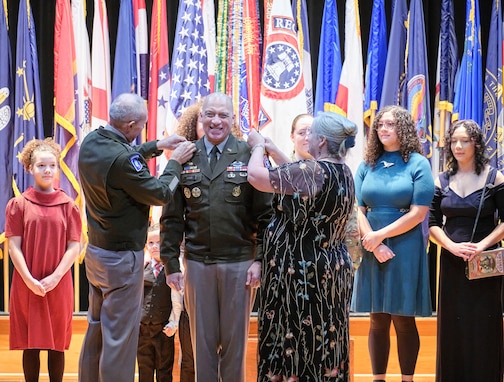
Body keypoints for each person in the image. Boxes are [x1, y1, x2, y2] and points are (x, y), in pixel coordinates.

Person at [77, 93, 196, 382]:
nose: (141, 129)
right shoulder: (123, 160)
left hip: (95, 254)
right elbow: (160, 193)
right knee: (120, 338)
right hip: (121, 261)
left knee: (97, 329)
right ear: (130, 125)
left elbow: (121, 157)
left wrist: (155, 146)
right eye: (141, 125)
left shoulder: (92, 140)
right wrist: (174, 162)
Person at [160, 92, 273, 382]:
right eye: (209, 114)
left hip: (240, 263)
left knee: (234, 348)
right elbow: (172, 217)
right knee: (202, 346)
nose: (216, 121)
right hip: (198, 263)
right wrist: (171, 263)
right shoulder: (186, 156)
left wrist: (260, 260)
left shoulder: (249, 155)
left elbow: (266, 215)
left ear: (233, 120)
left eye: (223, 115)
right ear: (200, 118)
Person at [247, 111, 357, 381]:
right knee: (324, 341)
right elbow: (297, 180)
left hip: (301, 275)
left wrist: (258, 146)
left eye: (312, 133)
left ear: (321, 141)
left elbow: (256, 177)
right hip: (330, 271)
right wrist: (275, 152)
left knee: (296, 342)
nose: (307, 137)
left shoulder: (312, 170)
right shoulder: (342, 171)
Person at [351, 105, 434, 382]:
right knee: (376, 318)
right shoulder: (367, 165)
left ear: (404, 128)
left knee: (402, 317)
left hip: (405, 246)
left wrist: (380, 237)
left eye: (390, 124)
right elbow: (357, 209)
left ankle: (407, 379)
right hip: (371, 243)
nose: (384, 129)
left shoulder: (418, 164)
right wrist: (373, 242)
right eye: (380, 125)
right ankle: (378, 379)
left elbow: (418, 213)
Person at [429, 119, 504, 382]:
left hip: (485, 262)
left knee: (484, 324)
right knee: (453, 326)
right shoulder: (441, 180)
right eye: (453, 141)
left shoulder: (494, 177)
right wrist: (450, 246)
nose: (458, 146)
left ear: (477, 143)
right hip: (451, 262)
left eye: (465, 141)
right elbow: (432, 223)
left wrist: (482, 246)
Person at [5, 138, 82, 382]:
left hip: (58, 284)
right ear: (30, 167)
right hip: (27, 283)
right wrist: (28, 279)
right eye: (41, 166)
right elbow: (13, 246)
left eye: (52, 165)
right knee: (31, 343)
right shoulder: (17, 205)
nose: (47, 170)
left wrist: (56, 276)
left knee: (56, 343)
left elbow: (74, 246)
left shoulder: (69, 206)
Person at [137, 223, 180, 382]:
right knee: (144, 369)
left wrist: (174, 323)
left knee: (164, 370)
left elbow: (178, 301)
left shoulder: (174, 270)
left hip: (163, 329)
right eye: (151, 243)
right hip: (143, 329)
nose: (155, 246)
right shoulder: (141, 268)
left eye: (159, 242)